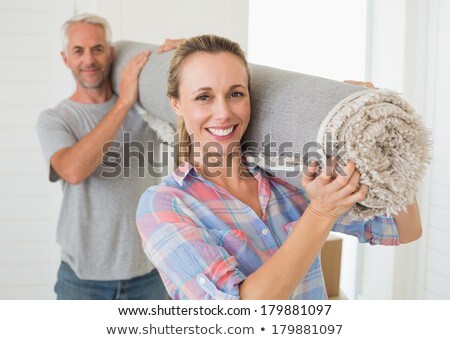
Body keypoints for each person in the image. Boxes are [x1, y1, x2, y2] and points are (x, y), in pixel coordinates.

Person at [135, 35, 423, 300]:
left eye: (235, 93)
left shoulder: (287, 180)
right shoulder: (164, 205)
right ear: (176, 104)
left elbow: (405, 229)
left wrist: (386, 141)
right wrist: (320, 213)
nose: (223, 113)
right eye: (203, 97)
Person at [36, 13, 183, 299]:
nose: (89, 60)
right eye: (78, 51)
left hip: (149, 274)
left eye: (97, 49)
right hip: (83, 279)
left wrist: (188, 51)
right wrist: (122, 103)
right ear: (66, 58)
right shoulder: (56, 119)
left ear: (110, 53)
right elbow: (73, 171)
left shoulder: (144, 109)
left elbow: (192, 118)